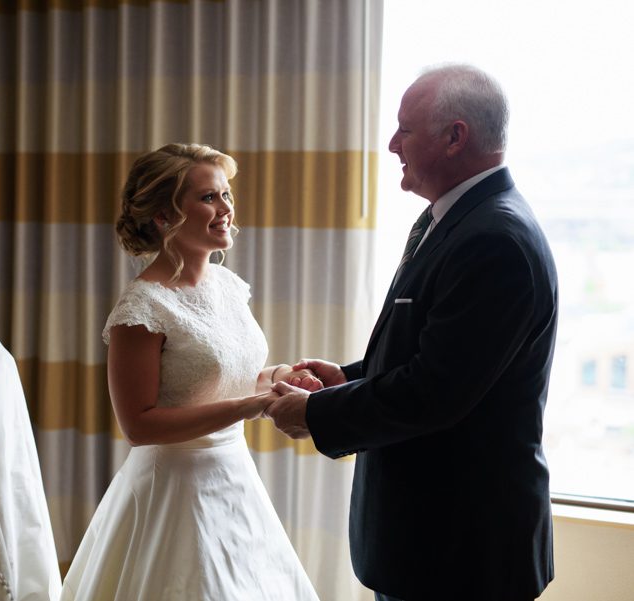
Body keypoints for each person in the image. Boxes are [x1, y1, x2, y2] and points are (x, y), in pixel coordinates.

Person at [266, 64, 558, 601]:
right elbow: (430, 352)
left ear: (455, 137)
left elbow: (435, 392)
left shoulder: (495, 239)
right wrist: (345, 379)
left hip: (459, 553)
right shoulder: (450, 221)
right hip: (432, 545)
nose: (392, 142)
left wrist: (317, 414)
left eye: (405, 128)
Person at [60, 144, 322, 600]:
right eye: (208, 198)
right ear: (164, 216)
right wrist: (253, 406)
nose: (226, 209)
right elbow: (139, 424)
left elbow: (222, 378)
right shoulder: (142, 309)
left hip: (236, 481)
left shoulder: (227, 286)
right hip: (174, 493)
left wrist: (280, 375)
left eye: (226, 195)